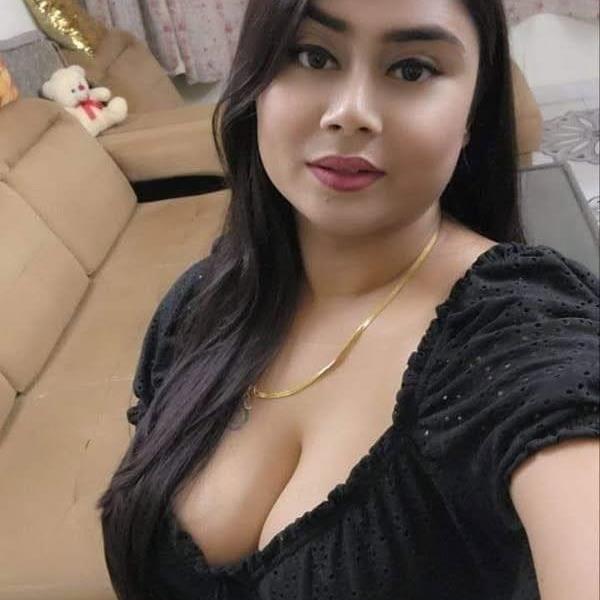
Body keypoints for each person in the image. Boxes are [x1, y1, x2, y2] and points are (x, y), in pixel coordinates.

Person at [98, 0, 600, 598]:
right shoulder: (195, 307)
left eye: (412, 69)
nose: (350, 113)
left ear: (472, 114)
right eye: (313, 56)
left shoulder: (519, 332)